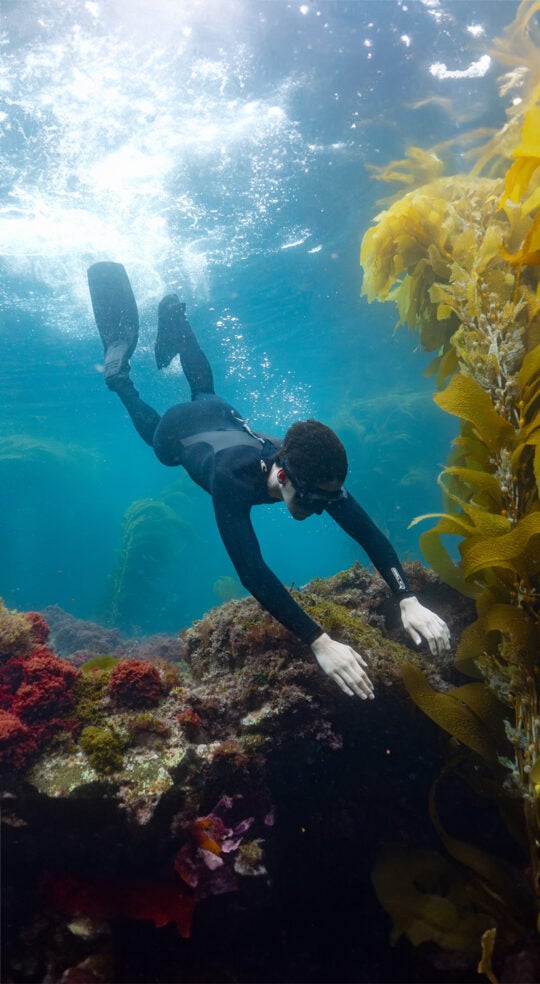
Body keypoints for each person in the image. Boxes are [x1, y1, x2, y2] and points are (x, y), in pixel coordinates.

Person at [87, 261, 451, 700]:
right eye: (315, 500)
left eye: (327, 500)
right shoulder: (231, 482)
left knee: (207, 392)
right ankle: (120, 379)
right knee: (160, 444)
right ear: (282, 474)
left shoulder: (311, 470)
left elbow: (367, 533)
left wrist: (406, 597)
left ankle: (175, 317)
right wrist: (319, 641)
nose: (321, 508)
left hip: (221, 414)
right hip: (179, 432)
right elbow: (252, 572)